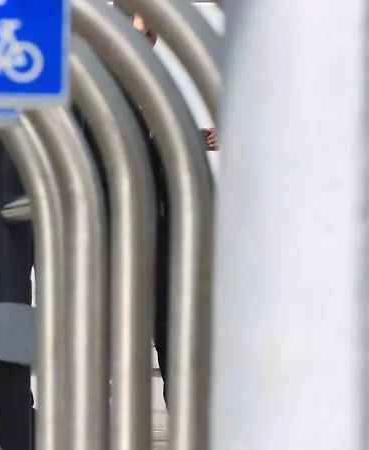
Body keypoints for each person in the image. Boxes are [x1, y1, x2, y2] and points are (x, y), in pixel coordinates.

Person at [131, 13, 218, 407]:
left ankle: (184, 415)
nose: (147, 38)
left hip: (160, 222)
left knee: (171, 328)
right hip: (118, 226)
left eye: (151, 31)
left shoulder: (154, 80)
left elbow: (154, 140)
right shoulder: (104, 78)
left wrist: (191, 138)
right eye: (141, 29)